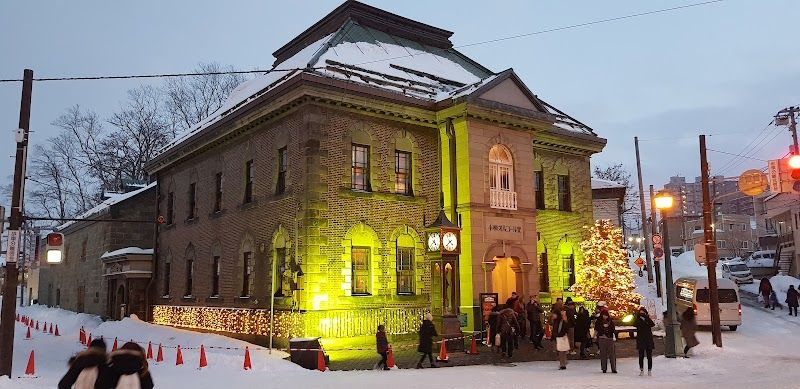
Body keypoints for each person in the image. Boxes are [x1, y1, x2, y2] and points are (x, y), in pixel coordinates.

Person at [633, 306, 655, 376]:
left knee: (649, 356)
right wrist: (639, 319)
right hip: (641, 339)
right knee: (641, 356)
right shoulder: (637, 319)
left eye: (643, 313)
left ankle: (649, 370)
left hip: (648, 339)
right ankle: (641, 369)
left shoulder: (647, 319)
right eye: (641, 313)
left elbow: (652, 324)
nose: (642, 314)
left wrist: (646, 318)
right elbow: (635, 324)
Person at [594, 309, 617, 373]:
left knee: (612, 354)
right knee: (603, 354)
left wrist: (609, 334)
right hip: (602, 339)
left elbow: (613, 330)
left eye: (606, 316)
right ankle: (604, 368)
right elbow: (596, 330)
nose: (605, 317)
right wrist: (595, 336)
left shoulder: (610, 321)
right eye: (604, 315)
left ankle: (613, 368)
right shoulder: (598, 322)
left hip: (609, 339)